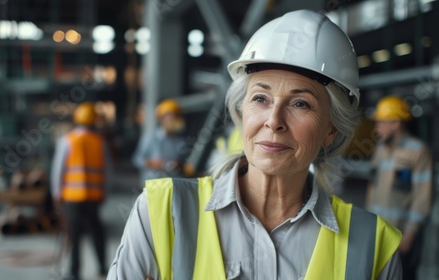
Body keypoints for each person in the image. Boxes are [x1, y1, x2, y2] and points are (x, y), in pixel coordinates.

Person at [108, 10, 402, 279]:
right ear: (242, 111)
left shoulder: (374, 245)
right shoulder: (160, 212)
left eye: (301, 103)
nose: (274, 121)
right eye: (260, 98)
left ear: (331, 130)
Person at [366, 95, 432, 280]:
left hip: (402, 234)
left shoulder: (417, 151)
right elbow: (373, 187)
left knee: (404, 275)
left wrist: (410, 231)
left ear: (395, 123)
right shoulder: (380, 149)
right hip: (379, 229)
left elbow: (422, 195)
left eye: (381, 122)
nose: (377, 128)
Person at [51, 102, 108, 280]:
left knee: (74, 235)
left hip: (72, 197)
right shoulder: (100, 141)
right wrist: (105, 192)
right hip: (94, 197)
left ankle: (74, 273)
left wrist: (56, 193)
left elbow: (58, 169)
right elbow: (108, 171)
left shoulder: (67, 140)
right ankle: (102, 268)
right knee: (97, 233)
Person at [132, 99, 188, 184]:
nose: (173, 120)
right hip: (153, 185)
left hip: (174, 185)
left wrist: (179, 165)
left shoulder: (180, 141)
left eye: (175, 117)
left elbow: (186, 163)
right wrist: (153, 163)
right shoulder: (150, 138)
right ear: (162, 119)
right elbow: (137, 159)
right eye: (170, 117)